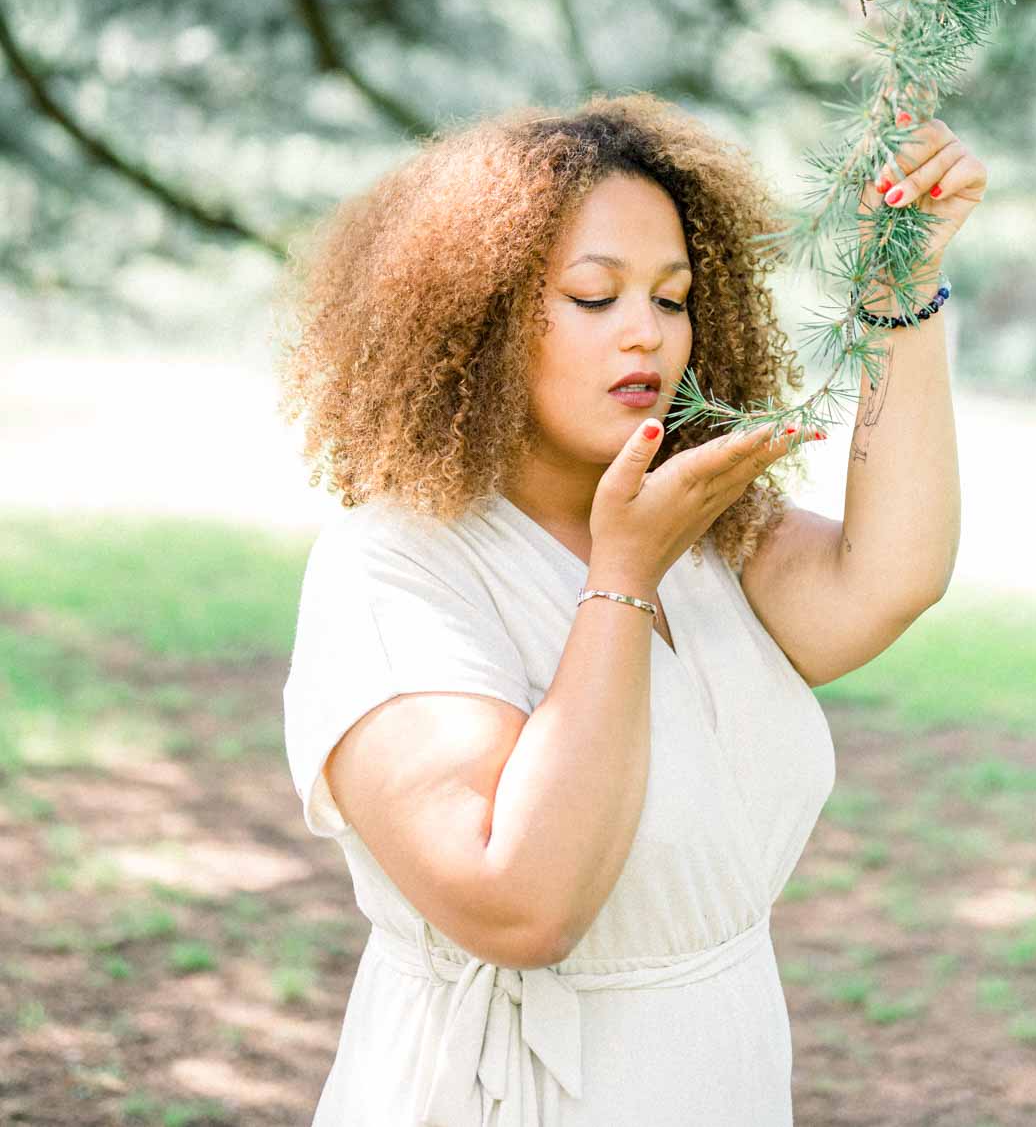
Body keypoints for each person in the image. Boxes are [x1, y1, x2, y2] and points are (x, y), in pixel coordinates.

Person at [276, 90, 978, 1125]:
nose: (646, 334)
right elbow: (520, 903)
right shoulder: (392, 568)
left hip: (719, 1072)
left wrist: (899, 292)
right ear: (473, 317)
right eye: (594, 297)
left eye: (673, 294)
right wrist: (621, 576)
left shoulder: (698, 522)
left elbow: (887, 579)